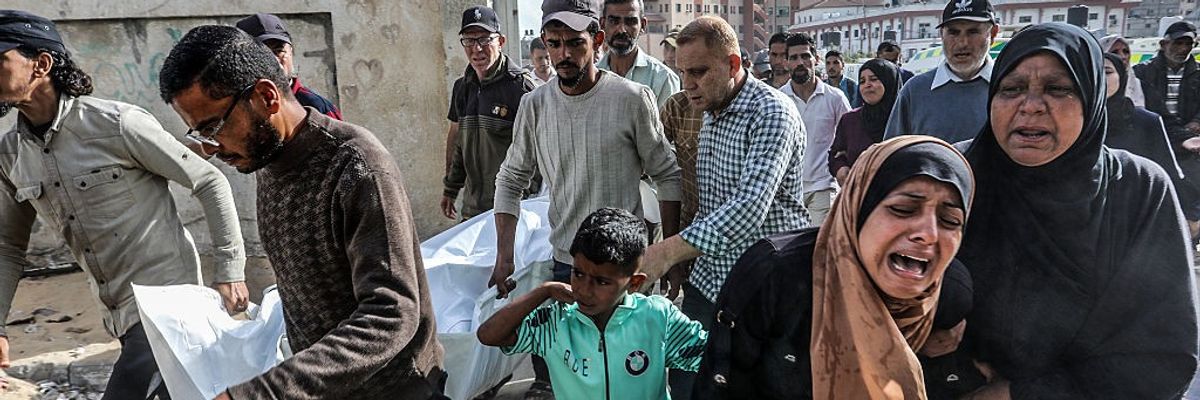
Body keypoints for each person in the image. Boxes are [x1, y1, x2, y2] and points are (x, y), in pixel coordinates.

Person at [159, 25, 446, 399]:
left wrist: (262, 393)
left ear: (266, 97)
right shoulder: (267, 160)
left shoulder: (357, 167)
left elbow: (391, 314)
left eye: (214, 127)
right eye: (200, 135)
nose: (212, 148)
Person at [0, 10, 249, 400]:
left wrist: (230, 270)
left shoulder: (117, 124)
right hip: (117, 314)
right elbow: (6, 246)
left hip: (169, 305)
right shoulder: (10, 154)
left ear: (41, 64)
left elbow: (208, 179)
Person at [956, 23, 1198, 399]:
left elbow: (1164, 356)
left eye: (1057, 89)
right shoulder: (958, 179)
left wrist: (1020, 394)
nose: (1031, 105)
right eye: (1012, 89)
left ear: (1092, 97)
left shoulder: (1138, 189)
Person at [693, 137, 975, 399]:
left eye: (950, 220)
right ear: (858, 208)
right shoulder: (776, 275)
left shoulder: (949, 299)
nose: (928, 233)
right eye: (903, 209)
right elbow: (720, 385)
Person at [637, 16, 808, 400]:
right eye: (682, 72)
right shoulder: (712, 109)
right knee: (686, 378)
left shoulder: (772, 113)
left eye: (698, 72)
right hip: (710, 278)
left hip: (764, 284)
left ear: (733, 65)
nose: (688, 85)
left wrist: (667, 251)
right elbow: (710, 200)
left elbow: (749, 208)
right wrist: (682, 260)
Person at [477, 207, 708, 400]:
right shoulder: (556, 323)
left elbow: (711, 355)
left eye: (601, 281)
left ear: (634, 283)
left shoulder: (657, 318)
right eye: (578, 274)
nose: (585, 290)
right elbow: (489, 335)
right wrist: (544, 291)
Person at [442, 6, 538, 221]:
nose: (477, 49)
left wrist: (528, 202)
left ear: (501, 41)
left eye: (485, 39)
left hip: (511, 211)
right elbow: (460, 144)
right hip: (472, 211)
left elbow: (540, 153)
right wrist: (451, 188)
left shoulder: (521, 89)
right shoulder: (462, 88)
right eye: (469, 40)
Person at [884, 0, 998, 143]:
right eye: (953, 32)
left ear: (993, 34)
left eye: (973, 32)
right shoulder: (915, 91)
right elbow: (892, 154)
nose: (962, 43)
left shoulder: (1007, 88)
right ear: (941, 35)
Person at [1134, 21, 1200, 238]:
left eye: (1187, 44)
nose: (1183, 49)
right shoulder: (1143, 72)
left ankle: (1191, 230)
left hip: (1192, 138)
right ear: (1164, 44)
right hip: (1157, 136)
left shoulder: (1198, 74)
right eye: (1178, 43)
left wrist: (1196, 124)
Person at [780, 33, 851, 225]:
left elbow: (850, 137)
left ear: (816, 59)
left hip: (824, 185)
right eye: (794, 58)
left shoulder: (835, 98)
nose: (800, 62)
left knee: (818, 246)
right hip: (787, 190)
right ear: (786, 62)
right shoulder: (778, 100)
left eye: (805, 56)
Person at [235, 13, 341, 120]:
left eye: (279, 51)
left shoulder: (317, 108)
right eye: (262, 54)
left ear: (291, 51)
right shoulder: (233, 108)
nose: (274, 61)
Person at [1103, 53, 1184, 184]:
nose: (1100, 78)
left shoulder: (1146, 121)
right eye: (1093, 71)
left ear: (1122, 77)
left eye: (1107, 72)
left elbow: (1167, 173)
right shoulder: (1074, 121)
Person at [829, 59, 903, 186]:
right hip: (860, 196)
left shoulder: (904, 118)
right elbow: (835, 155)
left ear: (889, 81)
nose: (867, 85)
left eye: (874, 79)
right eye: (862, 81)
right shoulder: (850, 120)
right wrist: (841, 168)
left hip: (898, 195)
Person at [596, 0, 680, 107]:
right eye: (614, 21)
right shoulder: (591, 77)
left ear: (643, 25)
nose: (622, 30)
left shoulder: (663, 79)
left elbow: (667, 123)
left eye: (630, 22)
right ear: (602, 24)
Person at [1098, 34, 1146, 107]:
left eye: (1126, 51)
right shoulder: (1095, 85)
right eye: (1115, 52)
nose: (1123, 56)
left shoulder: (1141, 85)